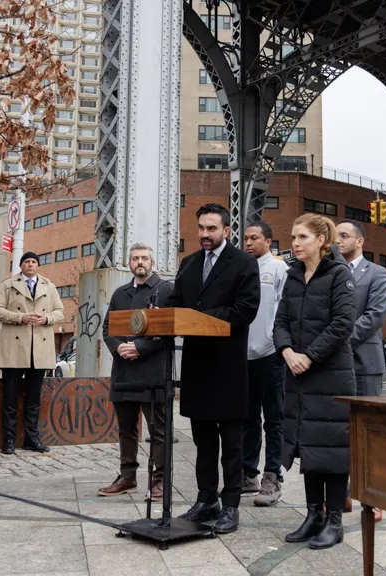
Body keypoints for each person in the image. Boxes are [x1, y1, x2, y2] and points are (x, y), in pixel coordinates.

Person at [170, 203, 260, 535]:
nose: (205, 234)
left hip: (227, 365)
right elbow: (177, 302)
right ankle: (206, 499)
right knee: (203, 441)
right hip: (197, 366)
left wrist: (202, 320)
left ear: (226, 230)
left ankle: (231, 504)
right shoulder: (189, 263)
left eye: (211, 228)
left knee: (232, 442)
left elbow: (246, 310)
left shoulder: (244, 263)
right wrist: (160, 313)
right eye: (201, 228)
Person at [274, 214, 356, 550]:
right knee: (307, 444)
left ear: (321, 240)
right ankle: (313, 516)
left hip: (330, 374)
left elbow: (342, 324)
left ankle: (334, 521)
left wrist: (308, 356)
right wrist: (287, 351)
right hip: (298, 375)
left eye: (302, 237)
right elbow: (280, 321)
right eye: (293, 237)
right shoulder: (293, 276)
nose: (295, 243)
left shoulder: (339, 274)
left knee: (332, 448)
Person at [99, 243, 173, 500]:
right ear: (129, 263)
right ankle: (127, 476)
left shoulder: (166, 290)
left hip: (153, 372)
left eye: (144, 258)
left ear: (152, 262)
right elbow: (107, 327)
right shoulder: (120, 293)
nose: (139, 262)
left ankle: (160, 481)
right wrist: (118, 347)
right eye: (135, 258)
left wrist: (139, 347)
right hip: (124, 371)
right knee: (126, 429)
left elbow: (170, 329)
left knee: (159, 431)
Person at [335, 219, 386, 520]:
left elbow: (375, 315)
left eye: (344, 235)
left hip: (365, 362)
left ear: (360, 241)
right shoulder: (331, 272)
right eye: (336, 236)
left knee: (368, 432)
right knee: (340, 430)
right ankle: (342, 493)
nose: (338, 240)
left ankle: (373, 497)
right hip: (335, 366)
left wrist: (338, 340)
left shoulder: (377, 274)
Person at [0, 251, 65, 455]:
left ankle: (32, 439)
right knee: (10, 398)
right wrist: (19, 317)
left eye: (34, 262)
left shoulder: (49, 286)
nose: (30, 265)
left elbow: (60, 311)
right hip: (14, 349)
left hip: (39, 349)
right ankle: (9, 439)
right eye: (27, 262)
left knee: (34, 399)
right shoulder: (8, 285)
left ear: (38, 266)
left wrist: (46, 319)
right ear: (21, 265)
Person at [241, 222, 289, 507]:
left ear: (268, 241)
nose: (248, 243)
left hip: (270, 355)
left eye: (254, 238)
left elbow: (284, 309)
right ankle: (249, 474)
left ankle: (273, 476)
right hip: (243, 355)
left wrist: (276, 342)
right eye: (246, 238)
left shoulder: (279, 269)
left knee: (273, 419)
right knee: (248, 418)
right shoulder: (241, 269)